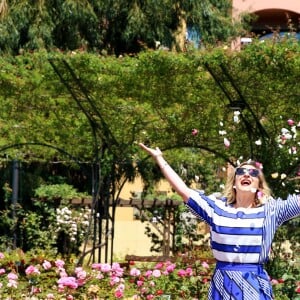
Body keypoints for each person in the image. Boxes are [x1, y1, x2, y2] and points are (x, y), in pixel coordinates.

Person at [139, 143, 300, 300]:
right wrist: (160, 158)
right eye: (241, 171)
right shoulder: (216, 208)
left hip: (253, 284)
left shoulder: (270, 211)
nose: (246, 174)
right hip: (222, 284)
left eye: (253, 172)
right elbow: (184, 191)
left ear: (259, 184)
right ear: (234, 182)